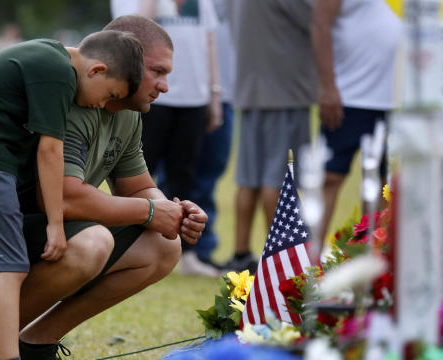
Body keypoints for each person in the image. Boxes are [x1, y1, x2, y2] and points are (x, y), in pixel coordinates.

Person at [0, 16, 207, 359]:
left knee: (165, 246)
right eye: (158, 72)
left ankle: (35, 344)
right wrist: (149, 211)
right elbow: (61, 197)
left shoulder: (126, 112)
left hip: (28, 234)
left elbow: (138, 189)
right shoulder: (72, 99)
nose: (164, 86)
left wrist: (171, 212)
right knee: (91, 243)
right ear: (119, 62)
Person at [111, 0, 222, 277]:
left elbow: (209, 40)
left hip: (194, 96)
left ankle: (186, 251)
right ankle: (131, 245)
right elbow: (129, 34)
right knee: (138, 173)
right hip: (152, 98)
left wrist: (215, 92)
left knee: (184, 174)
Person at [224, 0, 316, 272]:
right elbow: (314, 20)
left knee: (248, 178)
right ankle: (279, 255)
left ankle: (240, 253)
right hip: (285, 91)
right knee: (278, 178)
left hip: (249, 89)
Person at [310, 0, 400, 244]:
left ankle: (375, 261)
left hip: (399, 100)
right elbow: (320, 22)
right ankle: (307, 265)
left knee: (386, 185)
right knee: (329, 178)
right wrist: (327, 86)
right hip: (348, 96)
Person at [189, 0, 235, 269]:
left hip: (225, 93)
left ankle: (201, 248)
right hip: (186, 94)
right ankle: (178, 247)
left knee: (212, 170)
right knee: (176, 173)